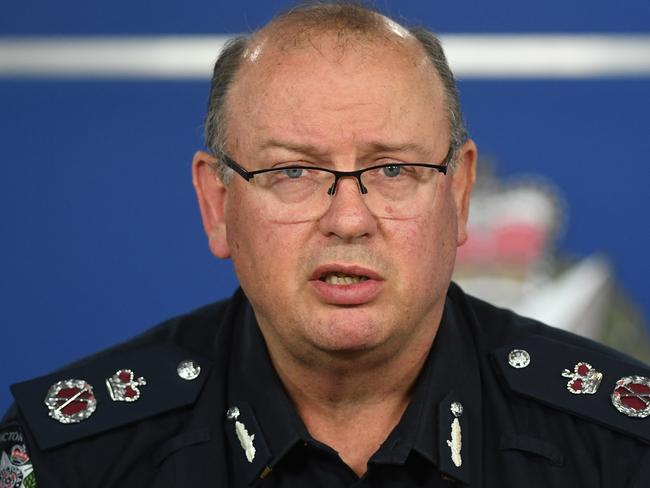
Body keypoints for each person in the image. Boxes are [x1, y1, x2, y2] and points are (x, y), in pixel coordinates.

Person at [2, 3, 650, 487]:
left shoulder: (621, 447)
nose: (347, 220)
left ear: (460, 197)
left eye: (393, 169)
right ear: (218, 203)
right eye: (294, 171)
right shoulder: (69, 458)